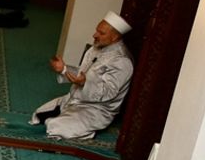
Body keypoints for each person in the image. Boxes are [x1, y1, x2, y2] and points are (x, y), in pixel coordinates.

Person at [31, 11, 135, 140]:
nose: (94, 35)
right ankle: (65, 114)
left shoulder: (122, 61)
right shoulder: (95, 48)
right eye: (97, 30)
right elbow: (82, 73)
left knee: (55, 127)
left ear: (115, 37)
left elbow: (108, 93)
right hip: (75, 98)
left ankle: (85, 129)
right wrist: (63, 69)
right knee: (38, 115)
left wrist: (85, 83)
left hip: (97, 109)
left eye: (101, 33)